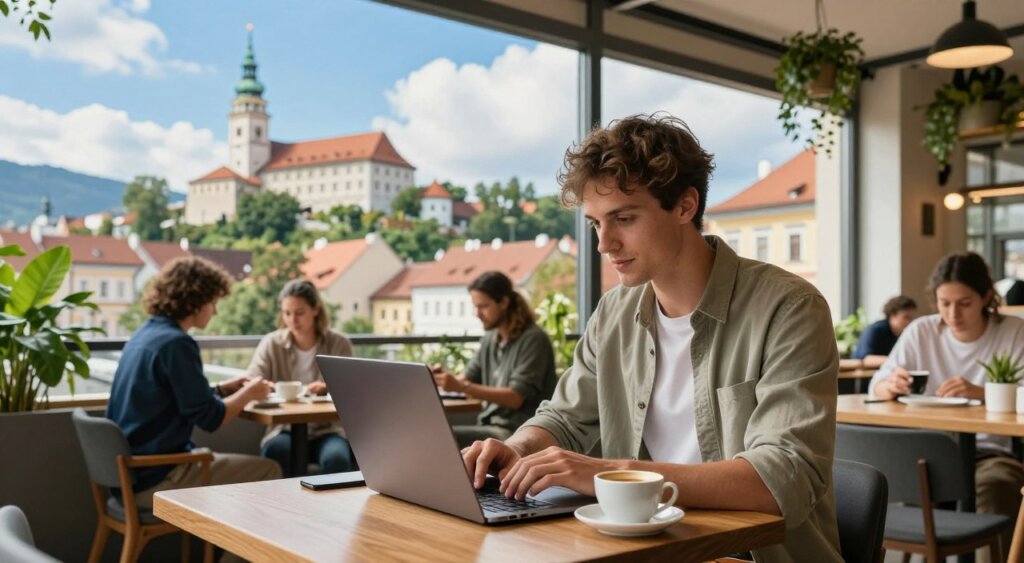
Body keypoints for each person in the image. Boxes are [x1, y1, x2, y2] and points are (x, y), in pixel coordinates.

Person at [461, 114, 841, 561]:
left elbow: (784, 478)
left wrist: (614, 473)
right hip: (646, 549)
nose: (605, 244)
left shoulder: (789, 308)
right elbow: (566, 420)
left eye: (623, 218)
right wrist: (516, 450)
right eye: (596, 224)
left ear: (684, 206)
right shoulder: (614, 312)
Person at [107, 256, 282, 510]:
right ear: (195, 301)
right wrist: (249, 393)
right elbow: (211, 418)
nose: (216, 310)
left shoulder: (145, 334)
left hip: (128, 480)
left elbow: (172, 396)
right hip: (158, 477)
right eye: (212, 302)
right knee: (269, 471)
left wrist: (222, 389)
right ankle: (239, 552)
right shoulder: (177, 344)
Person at [869, 252, 1024, 532]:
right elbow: (876, 384)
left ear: (986, 297)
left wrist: (983, 392)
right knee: (906, 482)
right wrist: (889, 385)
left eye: (964, 303)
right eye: (945, 303)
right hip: (928, 451)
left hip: (992, 453)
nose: (953, 314)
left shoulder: (1013, 332)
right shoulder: (921, 331)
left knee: (995, 486)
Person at [432, 271, 557, 449]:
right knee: (437, 434)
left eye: (483, 306)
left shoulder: (534, 339)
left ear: (504, 302)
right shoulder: (491, 339)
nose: (478, 314)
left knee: (442, 437)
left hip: (519, 432)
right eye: (475, 307)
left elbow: (515, 398)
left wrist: (460, 386)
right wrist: (439, 378)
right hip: (490, 426)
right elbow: (465, 378)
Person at [247, 279, 357, 476]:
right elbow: (252, 380)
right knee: (276, 451)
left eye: (299, 313)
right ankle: (282, 508)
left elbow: (352, 390)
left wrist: (328, 388)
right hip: (284, 429)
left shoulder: (338, 344)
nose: (292, 320)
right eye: (287, 313)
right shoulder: (272, 343)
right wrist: (268, 386)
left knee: (337, 458)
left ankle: (335, 508)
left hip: (328, 429)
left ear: (315, 309)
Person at [852, 294, 917, 362]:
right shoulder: (875, 330)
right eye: (906, 317)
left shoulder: (904, 334)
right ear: (892, 315)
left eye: (911, 318)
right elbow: (866, 359)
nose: (909, 322)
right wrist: (899, 361)